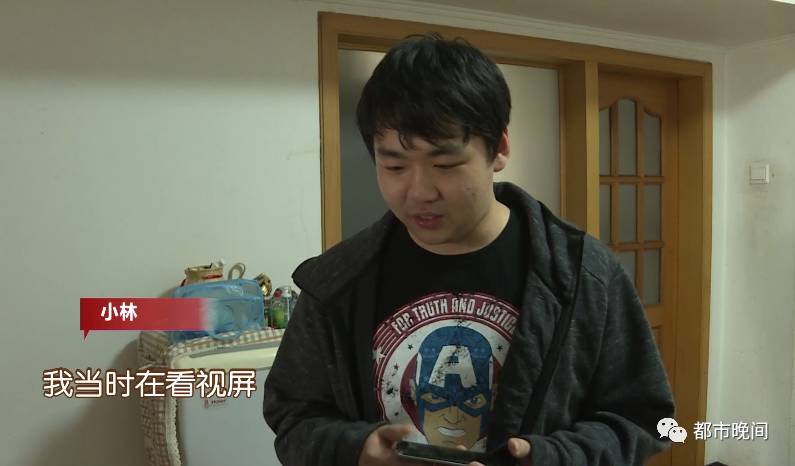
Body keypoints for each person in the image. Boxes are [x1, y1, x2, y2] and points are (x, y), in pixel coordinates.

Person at [263, 33, 675, 466]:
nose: (419, 192)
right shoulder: (337, 283)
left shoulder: (583, 275)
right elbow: (293, 417)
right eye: (394, 165)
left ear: (499, 148)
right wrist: (357, 449)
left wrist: (549, 457)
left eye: (445, 164)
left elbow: (643, 419)